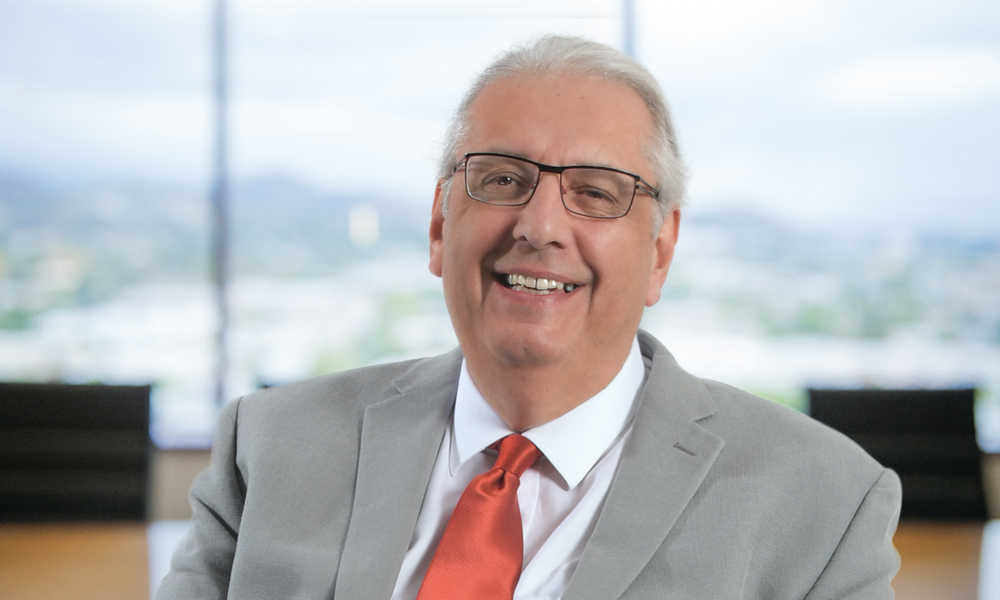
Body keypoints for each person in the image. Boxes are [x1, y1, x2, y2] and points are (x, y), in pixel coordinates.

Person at [156, 35, 901, 600]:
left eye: (597, 191)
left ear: (662, 251)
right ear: (441, 227)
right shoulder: (270, 447)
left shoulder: (825, 504)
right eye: (502, 179)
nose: (540, 225)